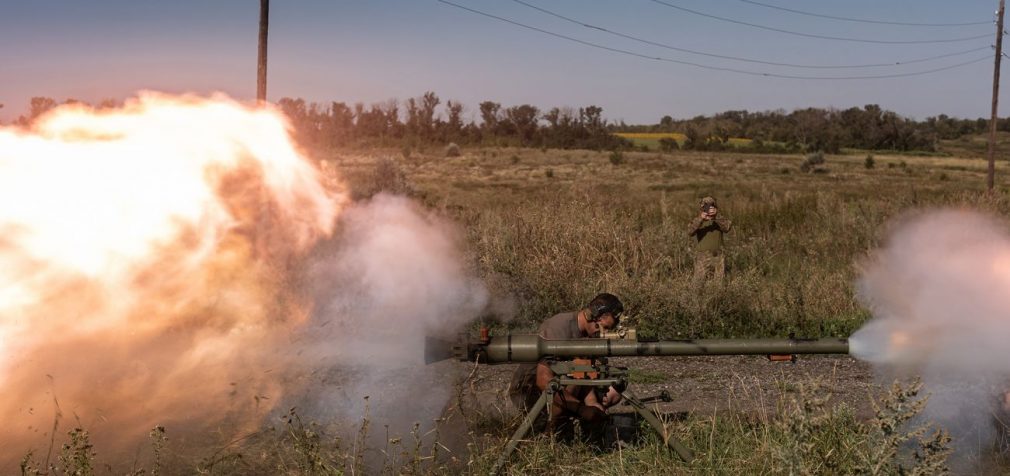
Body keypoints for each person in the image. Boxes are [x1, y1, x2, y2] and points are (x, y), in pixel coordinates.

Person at [508, 293, 625, 429]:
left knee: (613, 392)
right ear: (593, 316)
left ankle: (578, 429)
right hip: (529, 389)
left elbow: (586, 372)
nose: (603, 334)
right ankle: (550, 438)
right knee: (576, 370)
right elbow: (543, 381)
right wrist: (582, 409)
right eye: (604, 328)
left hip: (562, 383)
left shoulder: (590, 333)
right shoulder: (558, 328)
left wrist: (592, 402)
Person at [688, 196, 732, 285]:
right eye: (706, 207)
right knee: (698, 283)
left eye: (711, 206)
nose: (708, 209)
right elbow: (690, 232)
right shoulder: (698, 220)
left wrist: (716, 216)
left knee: (718, 283)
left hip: (718, 256)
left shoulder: (719, 219)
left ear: (715, 207)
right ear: (701, 208)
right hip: (703, 256)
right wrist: (701, 219)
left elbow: (727, 228)